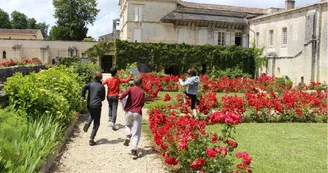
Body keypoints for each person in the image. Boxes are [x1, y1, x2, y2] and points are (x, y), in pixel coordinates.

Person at [119, 76, 146, 159]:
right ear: (141, 84)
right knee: (136, 132)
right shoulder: (142, 92)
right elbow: (142, 103)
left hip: (129, 111)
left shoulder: (130, 89)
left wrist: (120, 98)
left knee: (127, 125)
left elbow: (123, 95)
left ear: (133, 83)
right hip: (137, 113)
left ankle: (128, 135)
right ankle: (134, 150)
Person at [81, 72, 106, 146]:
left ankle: (88, 122)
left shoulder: (90, 84)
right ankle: (91, 139)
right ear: (101, 78)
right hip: (97, 105)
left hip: (89, 104)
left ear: (94, 77)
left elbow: (83, 88)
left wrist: (83, 96)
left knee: (92, 114)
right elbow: (103, 98)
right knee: (96, 123)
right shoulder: (102, 87)